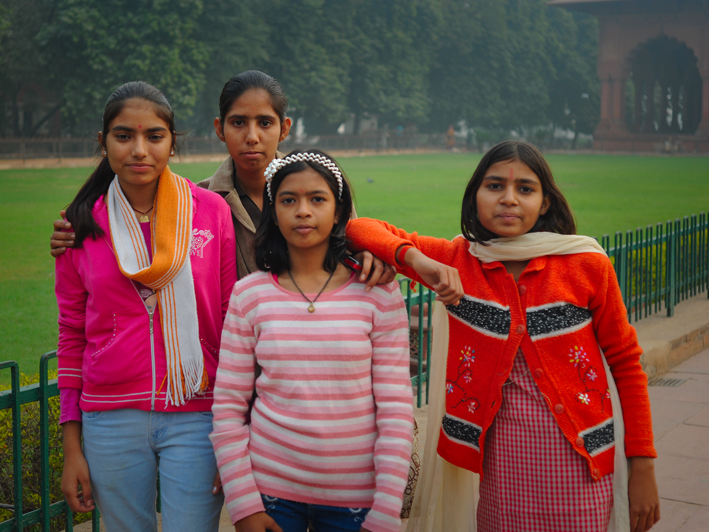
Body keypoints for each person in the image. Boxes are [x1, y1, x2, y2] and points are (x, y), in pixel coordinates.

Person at [345, 140, 660, 532]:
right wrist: (417, 259)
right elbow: (358, 228)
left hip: (585, 465)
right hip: (505, 469)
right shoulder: (460, 261)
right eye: (494, 186)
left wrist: (643, 465)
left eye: (525, 189)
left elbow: (626, 363)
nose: (508, 199)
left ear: (545, 202)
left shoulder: (585, 264)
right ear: (475, 195)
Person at [55, 81, 236, 532]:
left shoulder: (210, 213)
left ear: (173, 143)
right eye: (123, 136)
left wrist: (236, 434)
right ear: (103, 143)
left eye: (154, 136)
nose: (139, 149)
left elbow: (233, 324)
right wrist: (72, 446)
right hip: (110, 418)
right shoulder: (79, 223)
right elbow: (72, 334)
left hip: (199, 414)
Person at [210, 150, 414, 532]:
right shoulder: (248, 295)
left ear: (339, 211)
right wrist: (243, 505)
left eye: (317, 199)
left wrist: (386, 511)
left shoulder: (378, 294)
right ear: (273, 211)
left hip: (357, 499)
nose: (303, 210)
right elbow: (228, 406)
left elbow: (396, 411)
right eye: (289, 200)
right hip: (271, 496)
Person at [49, 70, 394, 287]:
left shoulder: (321, 189)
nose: (252, 136)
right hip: (237, 359)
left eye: (265, 123)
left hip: (310, 340)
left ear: (284, 129)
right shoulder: (200, 202)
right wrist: (78, 226)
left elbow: (348, 240)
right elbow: (137, 223)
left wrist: (372, 255)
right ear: (219, 129)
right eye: (238, 122)